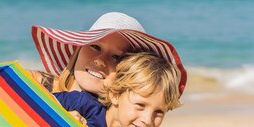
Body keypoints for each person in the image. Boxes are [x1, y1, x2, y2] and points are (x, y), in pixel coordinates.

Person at [54, 52, 182, 127]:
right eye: (140, 105)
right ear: (115, 95)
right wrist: (60, 119)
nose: (148, 120)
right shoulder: (80, 105)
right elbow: (35, 106)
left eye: (159, 112)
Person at [29, 12, 187, 95]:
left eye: (116, 57)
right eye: (95, 47)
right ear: (79, 48)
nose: (100, 61)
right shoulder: (34, 84)